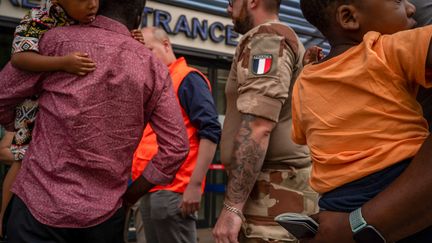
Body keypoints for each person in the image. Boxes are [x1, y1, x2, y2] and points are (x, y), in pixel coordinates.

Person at [0, 0, 190, 241]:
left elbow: (3, 95)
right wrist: (130, 196)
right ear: (138, 17)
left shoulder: (57, 42)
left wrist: (22, 128)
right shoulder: (152, 66)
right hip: (105, 215)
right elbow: (176, 148)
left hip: (38, 205)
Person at [293, 0, 432, 242]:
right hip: (399, 186)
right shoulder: (384, 49)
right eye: (398, 2)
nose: (411, 8)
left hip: (337, 201)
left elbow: (301, 135)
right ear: (348, 18)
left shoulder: (304, 82)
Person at [213, 0, 318, 242]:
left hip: (275, 198)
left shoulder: (267, 38)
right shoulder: (272, 38)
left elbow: (259, 127)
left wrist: (232, 207)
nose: (228, 8)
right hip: (272, 193)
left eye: (232, 1)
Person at [130, 27, 221, 243]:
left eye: (148, 50)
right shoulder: (156, 84)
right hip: (148, 187)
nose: (145, 59)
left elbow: (210, 131)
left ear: (166, 45)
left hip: (174, 190)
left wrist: (195, 185)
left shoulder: (187, 79)